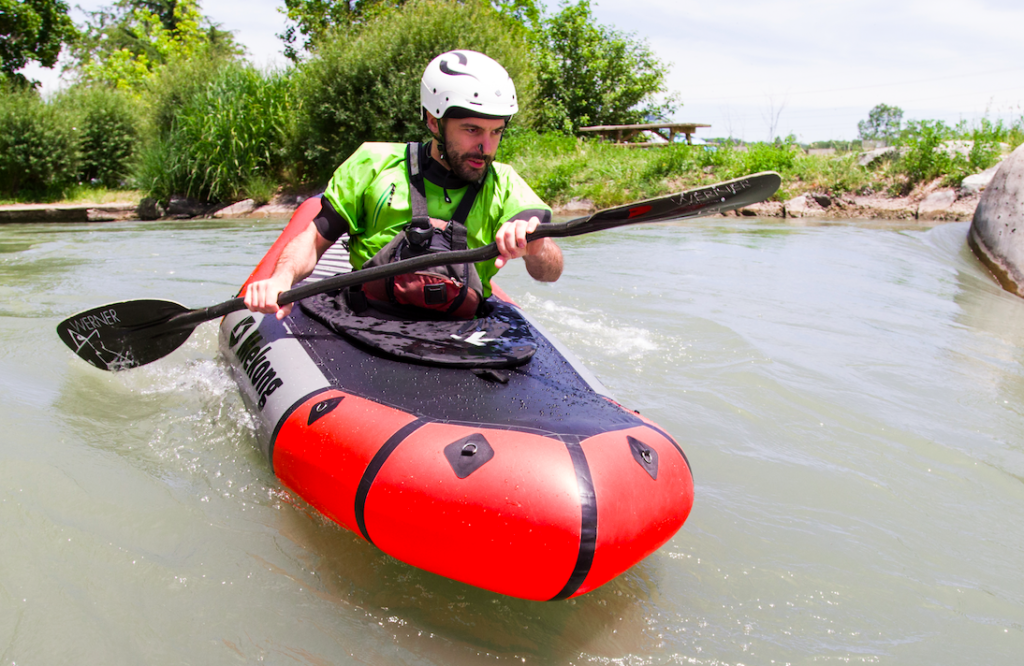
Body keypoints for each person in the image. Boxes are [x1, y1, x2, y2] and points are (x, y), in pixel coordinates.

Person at [245, 49, 563, 320]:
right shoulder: (374, 163)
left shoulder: (505, 183)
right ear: (433, 121)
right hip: (367, 317)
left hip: (459, 332)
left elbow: (550, 271)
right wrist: (281, 278)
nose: (486, 147)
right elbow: (314, 240)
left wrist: (536, 247)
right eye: (472, 130)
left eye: (496, 132)